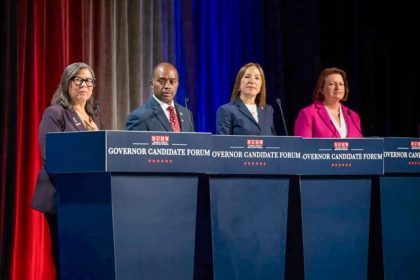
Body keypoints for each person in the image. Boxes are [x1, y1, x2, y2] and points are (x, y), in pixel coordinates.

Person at [31, 62, 103, 278]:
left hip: (91, 196)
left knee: (88, 257)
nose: (84, 85)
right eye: (78, 80)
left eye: (89, 80)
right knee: (66, 258)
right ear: (67, 83)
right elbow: (50, 156)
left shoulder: (95, 115)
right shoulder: (56, 113)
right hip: (63, 197)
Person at [294, 67, 362, 138]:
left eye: (341, 84)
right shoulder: (308, 114)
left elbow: (360, 146)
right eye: (332, 84)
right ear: (321, 89)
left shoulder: (353, 116)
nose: (338, 87)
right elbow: (302, 147)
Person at [126, 62, 194, 132]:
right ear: (152, 84)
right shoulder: (139, 117)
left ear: (177, 84)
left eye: (172, 81)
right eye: (161, 81)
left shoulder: (186, 114)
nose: (167, 86)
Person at [216, 62, 276, 135]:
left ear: (261, 86)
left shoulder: (268, 110)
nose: (252, 81)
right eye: (247, 77)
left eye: (257, 78)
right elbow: (223, 143)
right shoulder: (226, 111)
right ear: (238, 84)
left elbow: (273, 142)